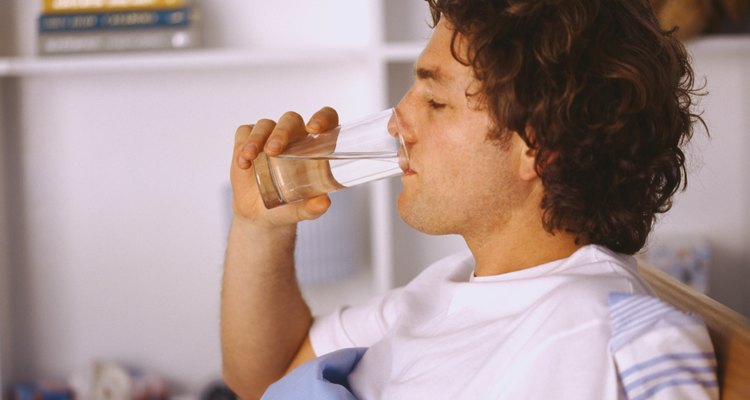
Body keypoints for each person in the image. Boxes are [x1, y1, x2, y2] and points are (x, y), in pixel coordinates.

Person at [221, 0, 713, 398]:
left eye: (436, 102)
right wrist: (259, 224)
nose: (396, 122)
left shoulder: (580, 330)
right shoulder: (452, 285)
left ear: (537, 150)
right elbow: (266, 377)